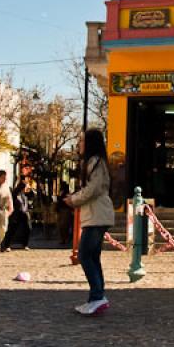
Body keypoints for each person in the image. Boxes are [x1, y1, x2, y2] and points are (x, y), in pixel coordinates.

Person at [64, 129, 114, 316]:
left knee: (85, 255)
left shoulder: (95, 163)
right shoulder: (96, 163)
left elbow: (93, 189)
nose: (79, 144)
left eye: (82, 141)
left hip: (96, 215)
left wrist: (73, 200)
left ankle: (98, 296)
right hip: (95, 214)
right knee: (92, 256)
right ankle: (96, 297)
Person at [0, 181, 31, 251]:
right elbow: (11, 203)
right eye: (26, 186)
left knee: (27, 229)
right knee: (12, 230)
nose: (28, 188)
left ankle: (25, 244)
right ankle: (7, 245)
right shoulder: (14, 194)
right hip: (16, 214)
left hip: (24, 214)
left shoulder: (24, 194)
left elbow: (26, 203)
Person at [56, 181, 74, 247]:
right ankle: (63, 238)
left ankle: (64, 239)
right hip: (61, 210)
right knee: (61, 225)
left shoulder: (66, 193)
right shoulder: (62, 192)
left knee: (64, 225)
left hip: (65, 210)